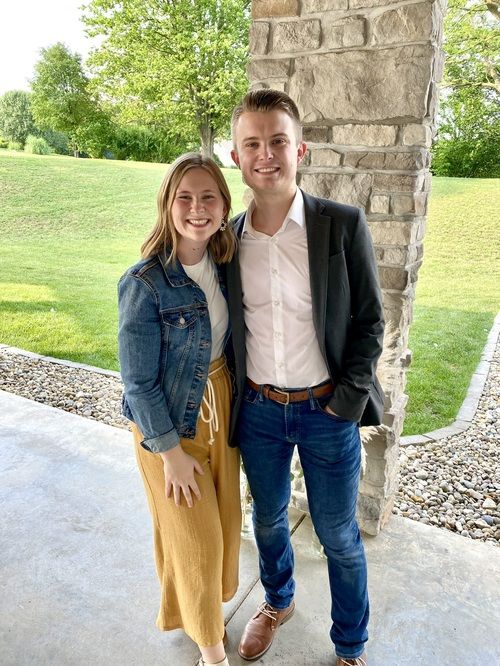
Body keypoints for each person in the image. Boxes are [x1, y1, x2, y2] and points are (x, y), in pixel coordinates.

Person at [225, 90, 385, 666]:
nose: (265, 154)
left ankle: (350, 646)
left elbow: (370, 320)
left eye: (278, 141)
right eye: (252, 144)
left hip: (327, 411)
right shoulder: (227, 239)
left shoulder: (340, 225)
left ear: (301, 150)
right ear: (237, 157)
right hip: (259, 410)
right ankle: (277, 602)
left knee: (338, 534)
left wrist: (347, 402)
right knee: (267, 519)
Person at [118, 153, 241, 666]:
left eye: (208, 197)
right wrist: (170, 454)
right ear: (167, 205)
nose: (197, 208)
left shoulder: (227, 265)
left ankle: (197, 614)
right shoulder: (144, 283)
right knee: (197, 541)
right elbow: (137, 383)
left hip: (222, 406)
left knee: (223, 527)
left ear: (224, 206)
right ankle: (213, 653)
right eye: (184, 197)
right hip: (168, 425)